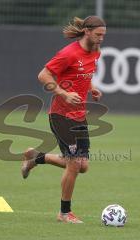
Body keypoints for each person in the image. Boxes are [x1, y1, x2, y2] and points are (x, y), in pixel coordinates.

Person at [21, 15, 106, 223]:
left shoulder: (96, 51)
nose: (101, 38)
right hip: (61, 115)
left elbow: (85, 74)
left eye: (103, 35)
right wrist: (64, 94)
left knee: (82, 166)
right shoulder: (68, 53)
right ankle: (64, 213)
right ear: (87, 31)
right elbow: (43, 75)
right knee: (75, 164)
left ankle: (36, 157)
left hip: (79, 116)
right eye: (98, 34)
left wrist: (92, 89)